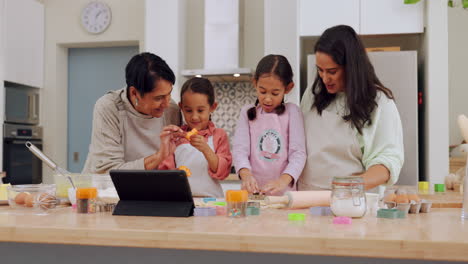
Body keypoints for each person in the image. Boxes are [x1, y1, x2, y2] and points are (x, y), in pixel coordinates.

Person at [299, 25, 404, 192]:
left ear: (351, 66)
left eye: (332, 71)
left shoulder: (379, 102)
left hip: (352, 202)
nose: (324, 78)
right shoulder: (314, 94)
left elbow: (387, 161)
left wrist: (348, 187)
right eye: (320, 70)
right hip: (307, 198)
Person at [82, 52, 182, 174]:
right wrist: (158, 157)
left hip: (151, 187)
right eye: (158, 98)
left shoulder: (171, 109)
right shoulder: (109, 107)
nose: (166, 104)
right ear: (134, 93)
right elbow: (107, 170)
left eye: (169, 93)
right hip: (107, 189)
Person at [233, 54, 306, 196]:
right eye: (262, 91)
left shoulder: (292, 112)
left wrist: (282, 181)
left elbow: (298, 154)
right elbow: (240, 150)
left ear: (288, 88)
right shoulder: (247, 113)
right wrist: (246, 174)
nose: (267, 98)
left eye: (275, 93)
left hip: (285, 195)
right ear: (254, 83)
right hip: (253, 194)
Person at [158, 77, 232, 198]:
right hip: (182, 200)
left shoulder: (219, 135)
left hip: (211, 200)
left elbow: (223, 172)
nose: (194, 117)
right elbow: (165, 173)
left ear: (212, 107)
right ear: (181, 107)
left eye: (200, 110)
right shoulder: (176, 137)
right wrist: (172, 176)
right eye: (188, 110)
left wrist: (206, 149)